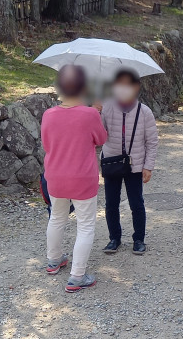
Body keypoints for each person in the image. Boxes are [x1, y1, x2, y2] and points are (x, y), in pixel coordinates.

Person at [41, 64, 107, 292]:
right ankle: (77, 276)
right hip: (82, 179)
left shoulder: (48, 115)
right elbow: (101, 139)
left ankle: (53, 260)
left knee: (57, 218)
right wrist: (96, 111)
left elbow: (47, 144)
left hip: (55, 177)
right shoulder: (89, 114)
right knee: (85, 225)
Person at [99, 70, 158, 255]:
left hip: (135, 164)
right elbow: (99, 136)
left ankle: (139, 239)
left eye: (128, 85)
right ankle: (114, 238)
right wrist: (96, 113)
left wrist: (148, 166)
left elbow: (152, 141)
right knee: (111, 203)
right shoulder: (107, 107)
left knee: (136, 203)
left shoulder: (144, 112)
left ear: (136, 87)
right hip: (111, 162)